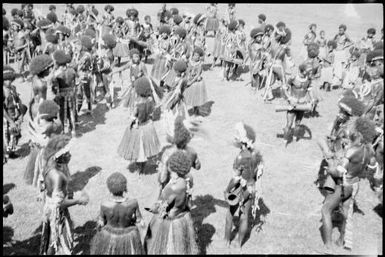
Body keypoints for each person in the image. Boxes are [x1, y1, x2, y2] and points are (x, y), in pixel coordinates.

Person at [319, 117, 378, 252]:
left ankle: (328, 247)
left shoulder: (351, 151)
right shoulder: (369, 151)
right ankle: (341, 241)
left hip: (342, 185)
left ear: (357, 133)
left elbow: (339, 173)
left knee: (326, 210)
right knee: (346, 213)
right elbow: (371, 171)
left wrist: (330, 168)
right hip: (353, 186)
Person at [39, 134, 89, 255]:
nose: (70, 155)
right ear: (59, 156)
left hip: (49, 206)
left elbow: (49, 191)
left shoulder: (49, 168)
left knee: (51, 235)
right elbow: (60, 204)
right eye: (67, 153)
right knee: (56, 238)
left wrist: (69, 194)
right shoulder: (58, 176)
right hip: (56, 213)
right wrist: (79, 200)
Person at [144, 150, 199, 254]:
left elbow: (159, 207)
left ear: (170, 166)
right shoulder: (186, 180)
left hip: (170, 222)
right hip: (183, 218)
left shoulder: (171, 187)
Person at [224, 122, 264, 249]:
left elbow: (236, 178)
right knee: (244, 216)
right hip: (251, 189)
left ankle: (226, 240)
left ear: (242, 141)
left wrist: (227, 190)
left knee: (230, 214)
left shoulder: (241, 157)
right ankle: (239, 243)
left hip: (240, 188)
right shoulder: (257, 155)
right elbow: (258, 175)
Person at [90, 172, 145, 254]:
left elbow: (101, 223)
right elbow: (140, 221)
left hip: (110, 236)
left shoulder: (105, 204)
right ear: (124, 187)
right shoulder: (133, 203)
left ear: (109, 188)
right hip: (129, 235)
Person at [118, 77, 161, 175]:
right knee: (145, 150)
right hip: (148, 127)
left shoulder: (138, 104)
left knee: (139, 151)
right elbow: (152, 112)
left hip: (139, 128)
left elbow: (134, 116)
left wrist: (131, 120)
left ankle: (140, 170)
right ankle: (143, 168)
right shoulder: (150, 101)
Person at [158, 115, 201, 201]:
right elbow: (198, 167)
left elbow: (162, 179)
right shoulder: (192, 152)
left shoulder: (168, 153)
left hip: (170, 185)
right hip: (185, 184)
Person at [280, 64, 314, 141]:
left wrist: (312, 99)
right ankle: (285, 139)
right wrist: (289, 98)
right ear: (303, 71)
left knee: (298, 123)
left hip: (302, 103)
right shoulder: (293, 78)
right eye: (309, 71)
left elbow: (309, 89)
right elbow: (284, 88)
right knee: (289, 124)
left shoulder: (308, 79)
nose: (310, 73)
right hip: (293, 103)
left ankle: (295, 136)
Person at [51, 50, 77, 136]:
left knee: (62, 112)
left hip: (62, 94)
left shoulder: (57, 73)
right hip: (71, 92)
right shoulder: (72, 70)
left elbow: (54, 86)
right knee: (72, 111)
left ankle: (63, 129)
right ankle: (73, 129)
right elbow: (75, 82)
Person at [3, 66, 27, 157]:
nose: (8, 82)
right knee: (6, 135)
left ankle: (12, 152)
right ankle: (6, 153)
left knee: (14, 134)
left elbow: (18, 101)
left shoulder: (13, 88)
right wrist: (10, 121)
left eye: (10, 79)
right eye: (6, 79)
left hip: (15, 114)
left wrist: (20, 114)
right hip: (6, 116)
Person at [184, 47, 208, 116]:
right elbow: (187, 70)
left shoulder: (199, 65)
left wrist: (191, 82)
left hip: (195, 82)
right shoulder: (190, 62)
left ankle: (196, 110)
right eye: (194, 55)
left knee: (195, 97)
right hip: (189, 79)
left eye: (197, 56)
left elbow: (197, 75)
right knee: (186, 96)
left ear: (200, 57)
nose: (196, 57)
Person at [75, 35, 94, 114]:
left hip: (84, 74)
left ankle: (80, 110)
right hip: (81, 74)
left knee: (84, 92)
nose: (76, 48)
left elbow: (80, 65)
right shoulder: (79, 53)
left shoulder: (86, 55)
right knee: (81, 92)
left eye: (78, 46)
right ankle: (82, 109)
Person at [332, 24, 353, 88]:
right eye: (339, 29)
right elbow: (333, 41)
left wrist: (345, 46)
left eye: (341, 30)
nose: (340, 31)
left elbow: (352, 42)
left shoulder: (346, 35)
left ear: (344, 30)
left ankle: (341, 80)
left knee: (341, 67)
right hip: (336, 51)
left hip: (341, 52)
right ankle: (335, 80)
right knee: (335, 65)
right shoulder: (337, 35)